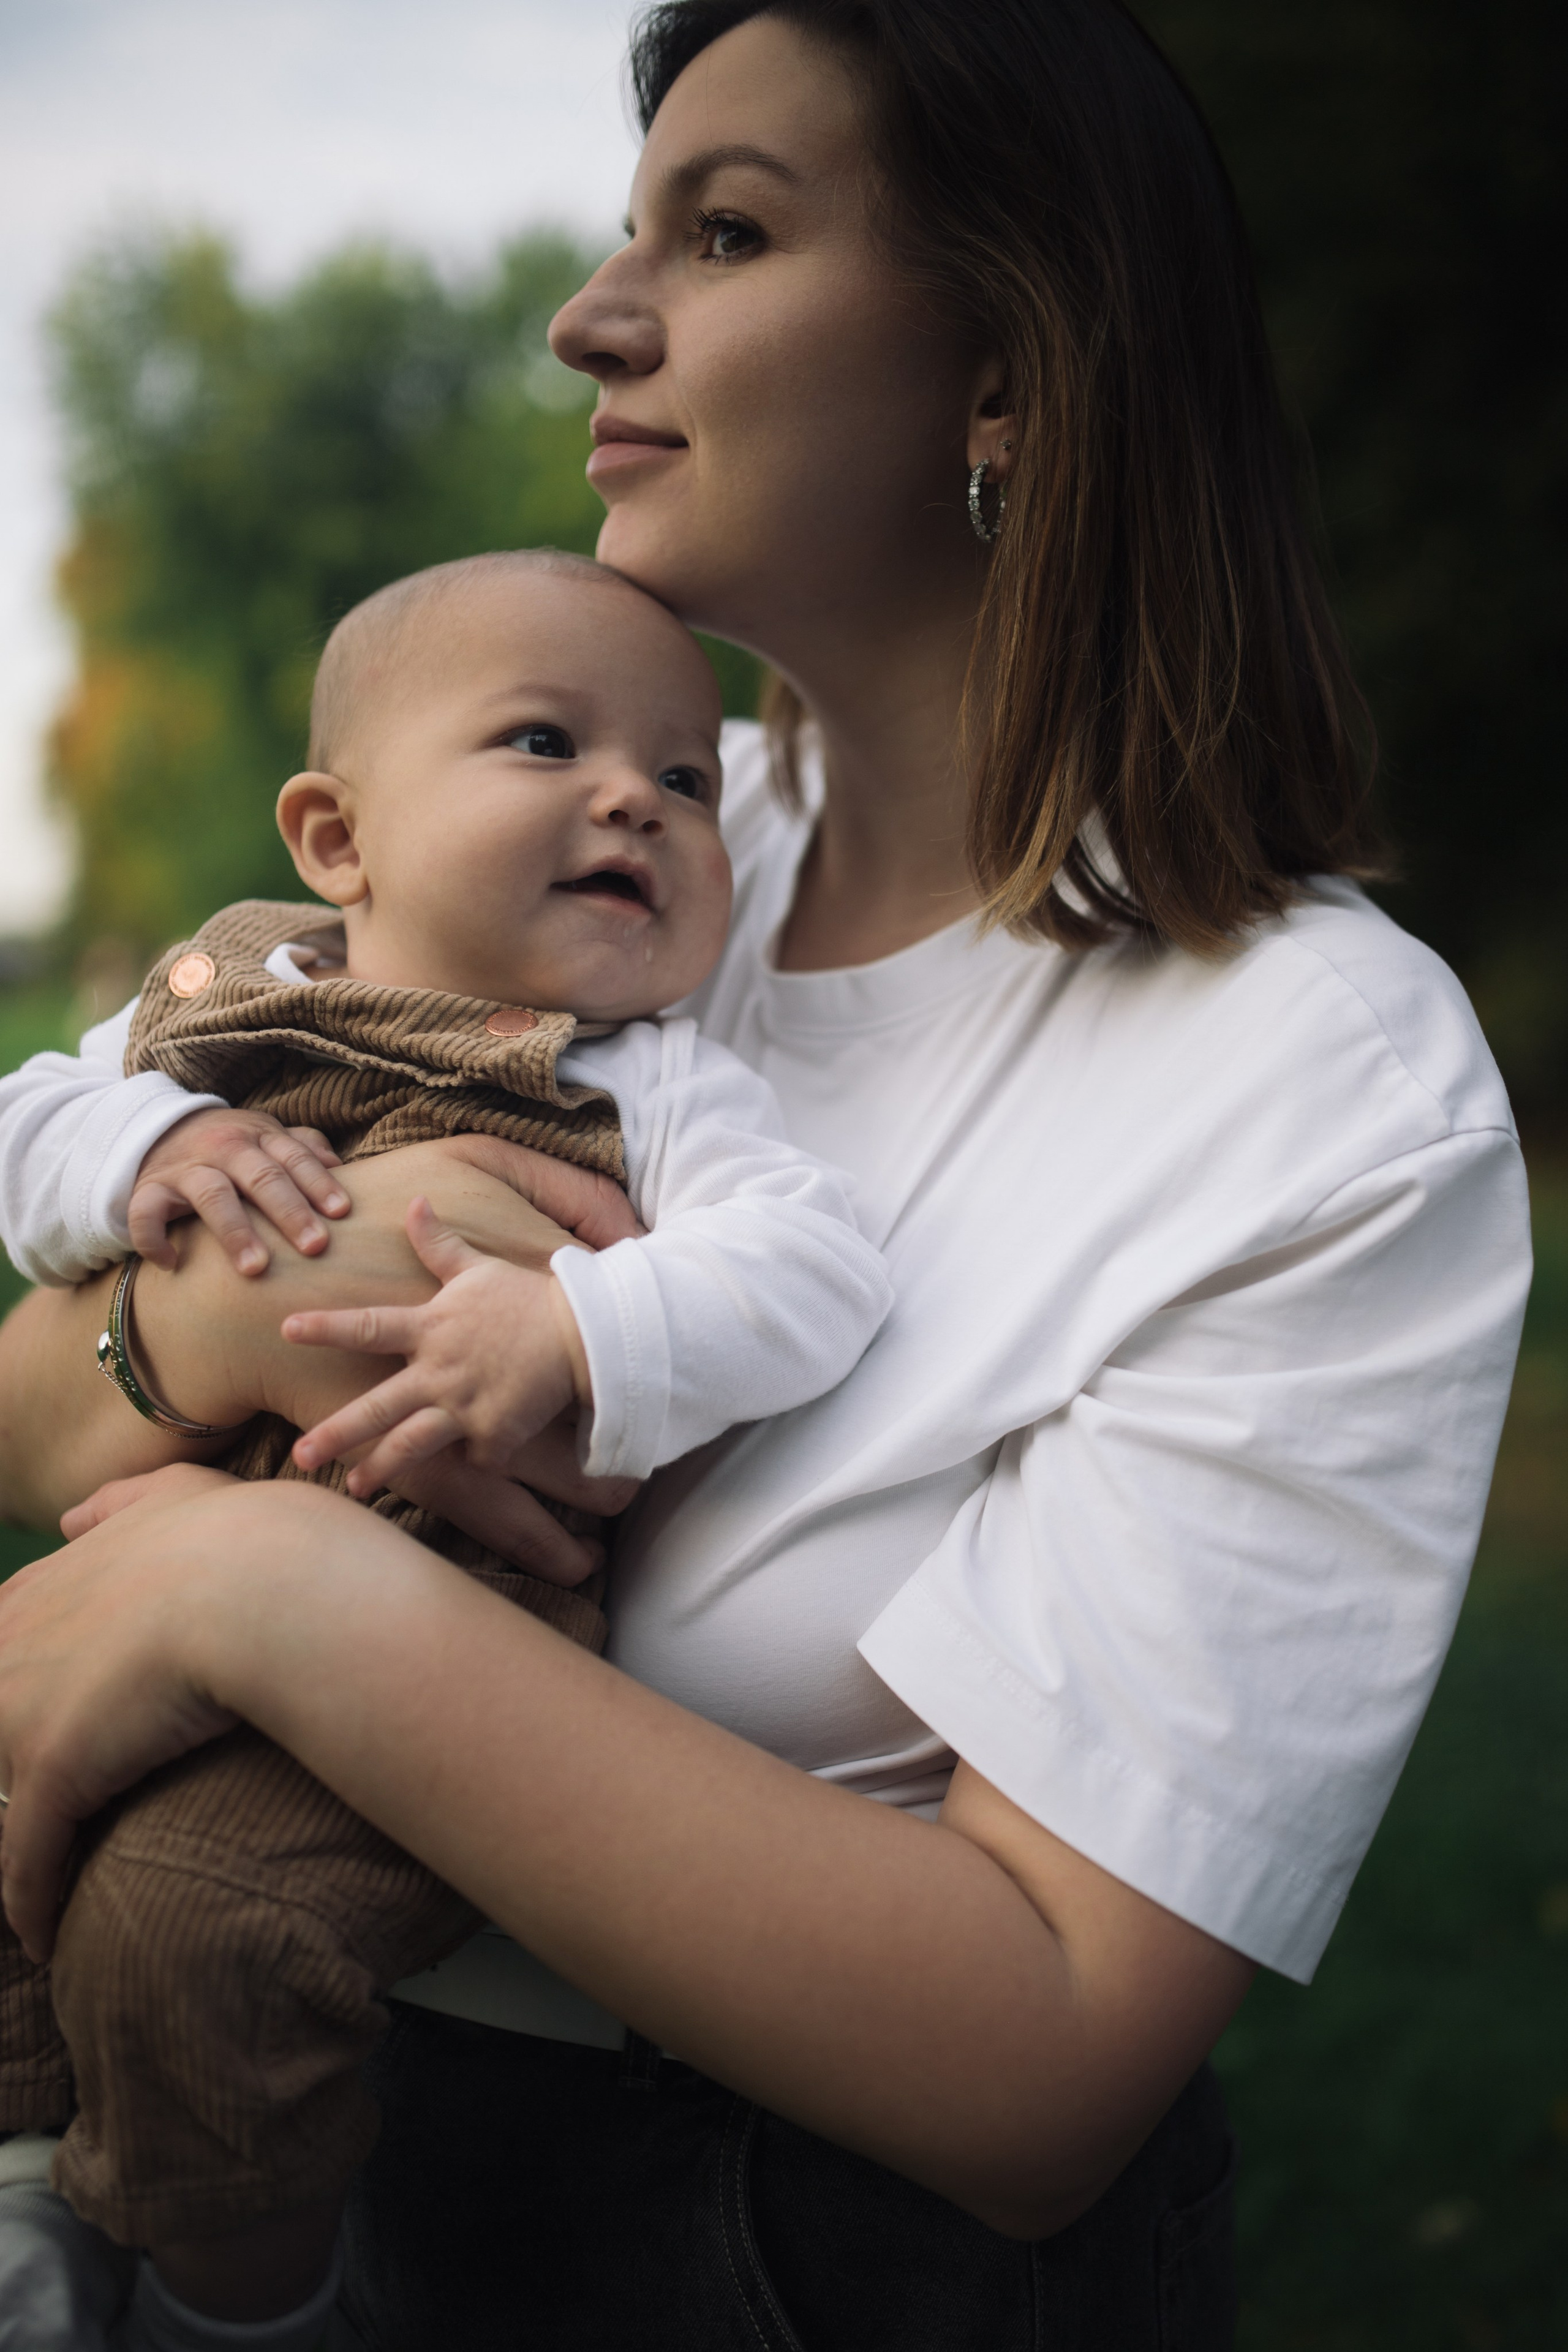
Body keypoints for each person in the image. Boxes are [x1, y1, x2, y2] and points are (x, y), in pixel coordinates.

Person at [0, 4, 1532, 2348]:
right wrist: (220, 1303)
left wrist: (263, 1592)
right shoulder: (597, 842)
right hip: (303, 2114)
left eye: (723, 235)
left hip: (786, 2263)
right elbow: (33, 1403)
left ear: (1009, 372)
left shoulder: (1318, 1080)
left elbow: (1043, 2066)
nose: (587, 316)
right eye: (632, 230)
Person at [0, 544, 892, 2345]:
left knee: (195, 1937)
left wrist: (579, 1328)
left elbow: (816, 1269)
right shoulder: (212, 999)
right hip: (148, 1570)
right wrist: (142, 1153)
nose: (635, 798)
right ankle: (33, 2195)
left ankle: (232, 2304)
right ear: (338, 839)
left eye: (687, 778)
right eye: (547, 742)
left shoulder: (645, 1080)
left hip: (429, 1647)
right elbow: (30, 1123)